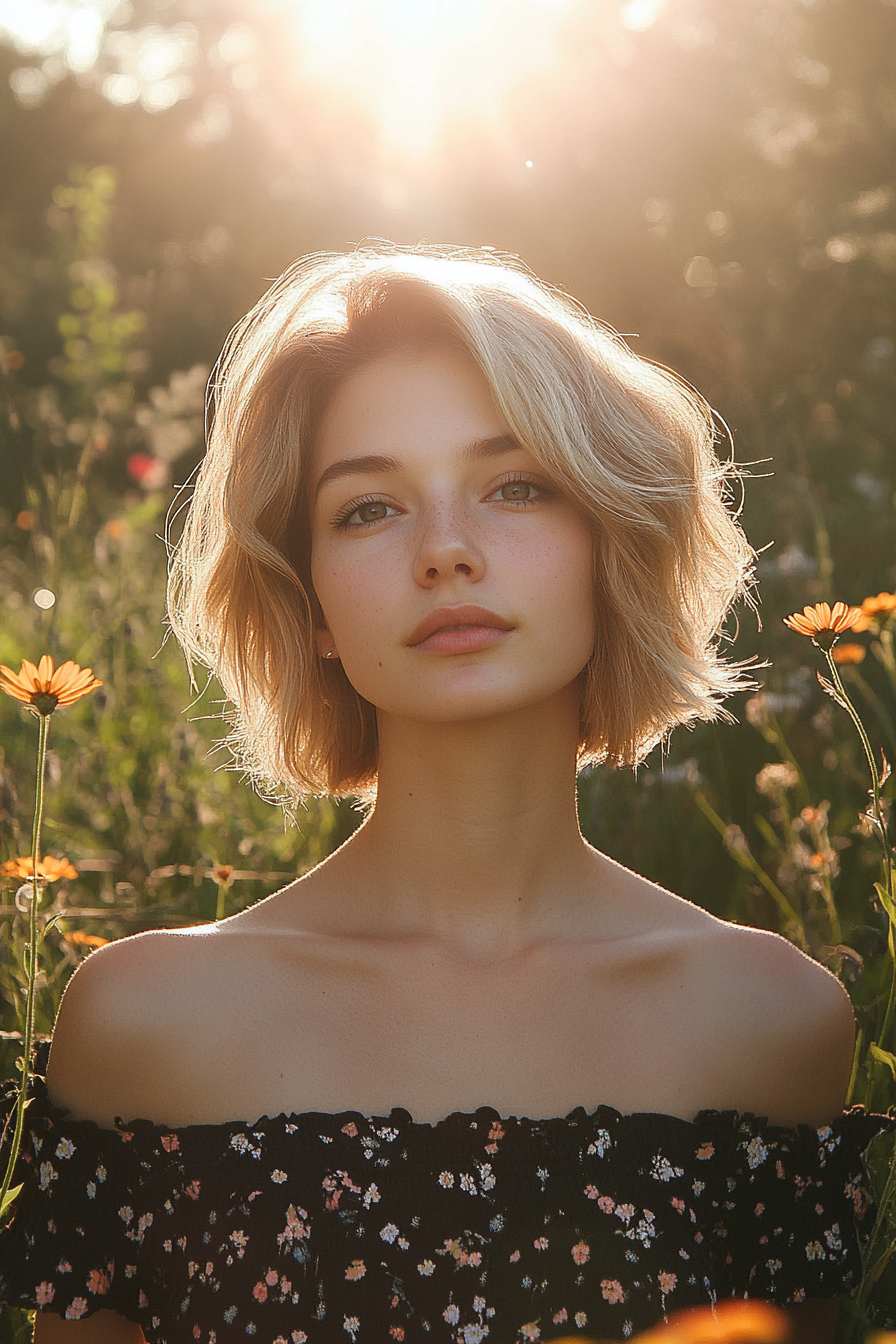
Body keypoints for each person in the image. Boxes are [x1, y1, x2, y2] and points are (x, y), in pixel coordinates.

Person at [0, 244, 890, 1344]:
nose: (446, 552)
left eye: (514, 486)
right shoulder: (143, 1027)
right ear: (311, 602)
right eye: (368, 509)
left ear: (608, 538)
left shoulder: (768, 1022)